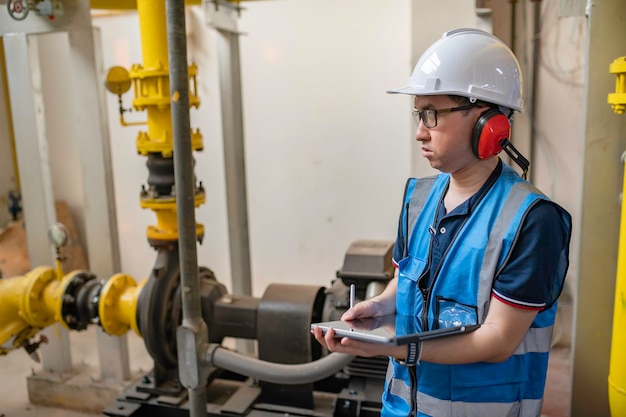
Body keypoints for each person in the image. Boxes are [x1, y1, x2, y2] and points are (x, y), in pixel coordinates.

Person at [312, 28, 572, 417]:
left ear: (489, 123)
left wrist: (396, 348)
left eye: (432, 115)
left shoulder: (532, 220)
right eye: (419, 114)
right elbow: (407, 280)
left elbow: (499, 340)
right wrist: (379, 308)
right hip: (400, 409)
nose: (420, 132)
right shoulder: (418, 197)